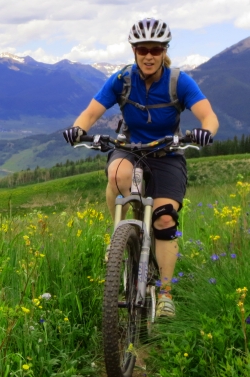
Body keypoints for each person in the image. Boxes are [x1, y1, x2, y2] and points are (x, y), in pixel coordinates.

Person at [63, 18, 219, 318]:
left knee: (163, 221)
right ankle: (119, 236)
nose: (149, 56)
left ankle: (165, 294)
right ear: (134, 50)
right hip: (130, 148)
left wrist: (206, 132)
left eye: (156, 50)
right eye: (143, 49)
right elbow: (91, 111)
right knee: (117, 174)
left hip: (167, 153)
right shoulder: (121, 80)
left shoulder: (178, 81)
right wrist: (77, 129)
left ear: (164, 51)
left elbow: (209, 116)